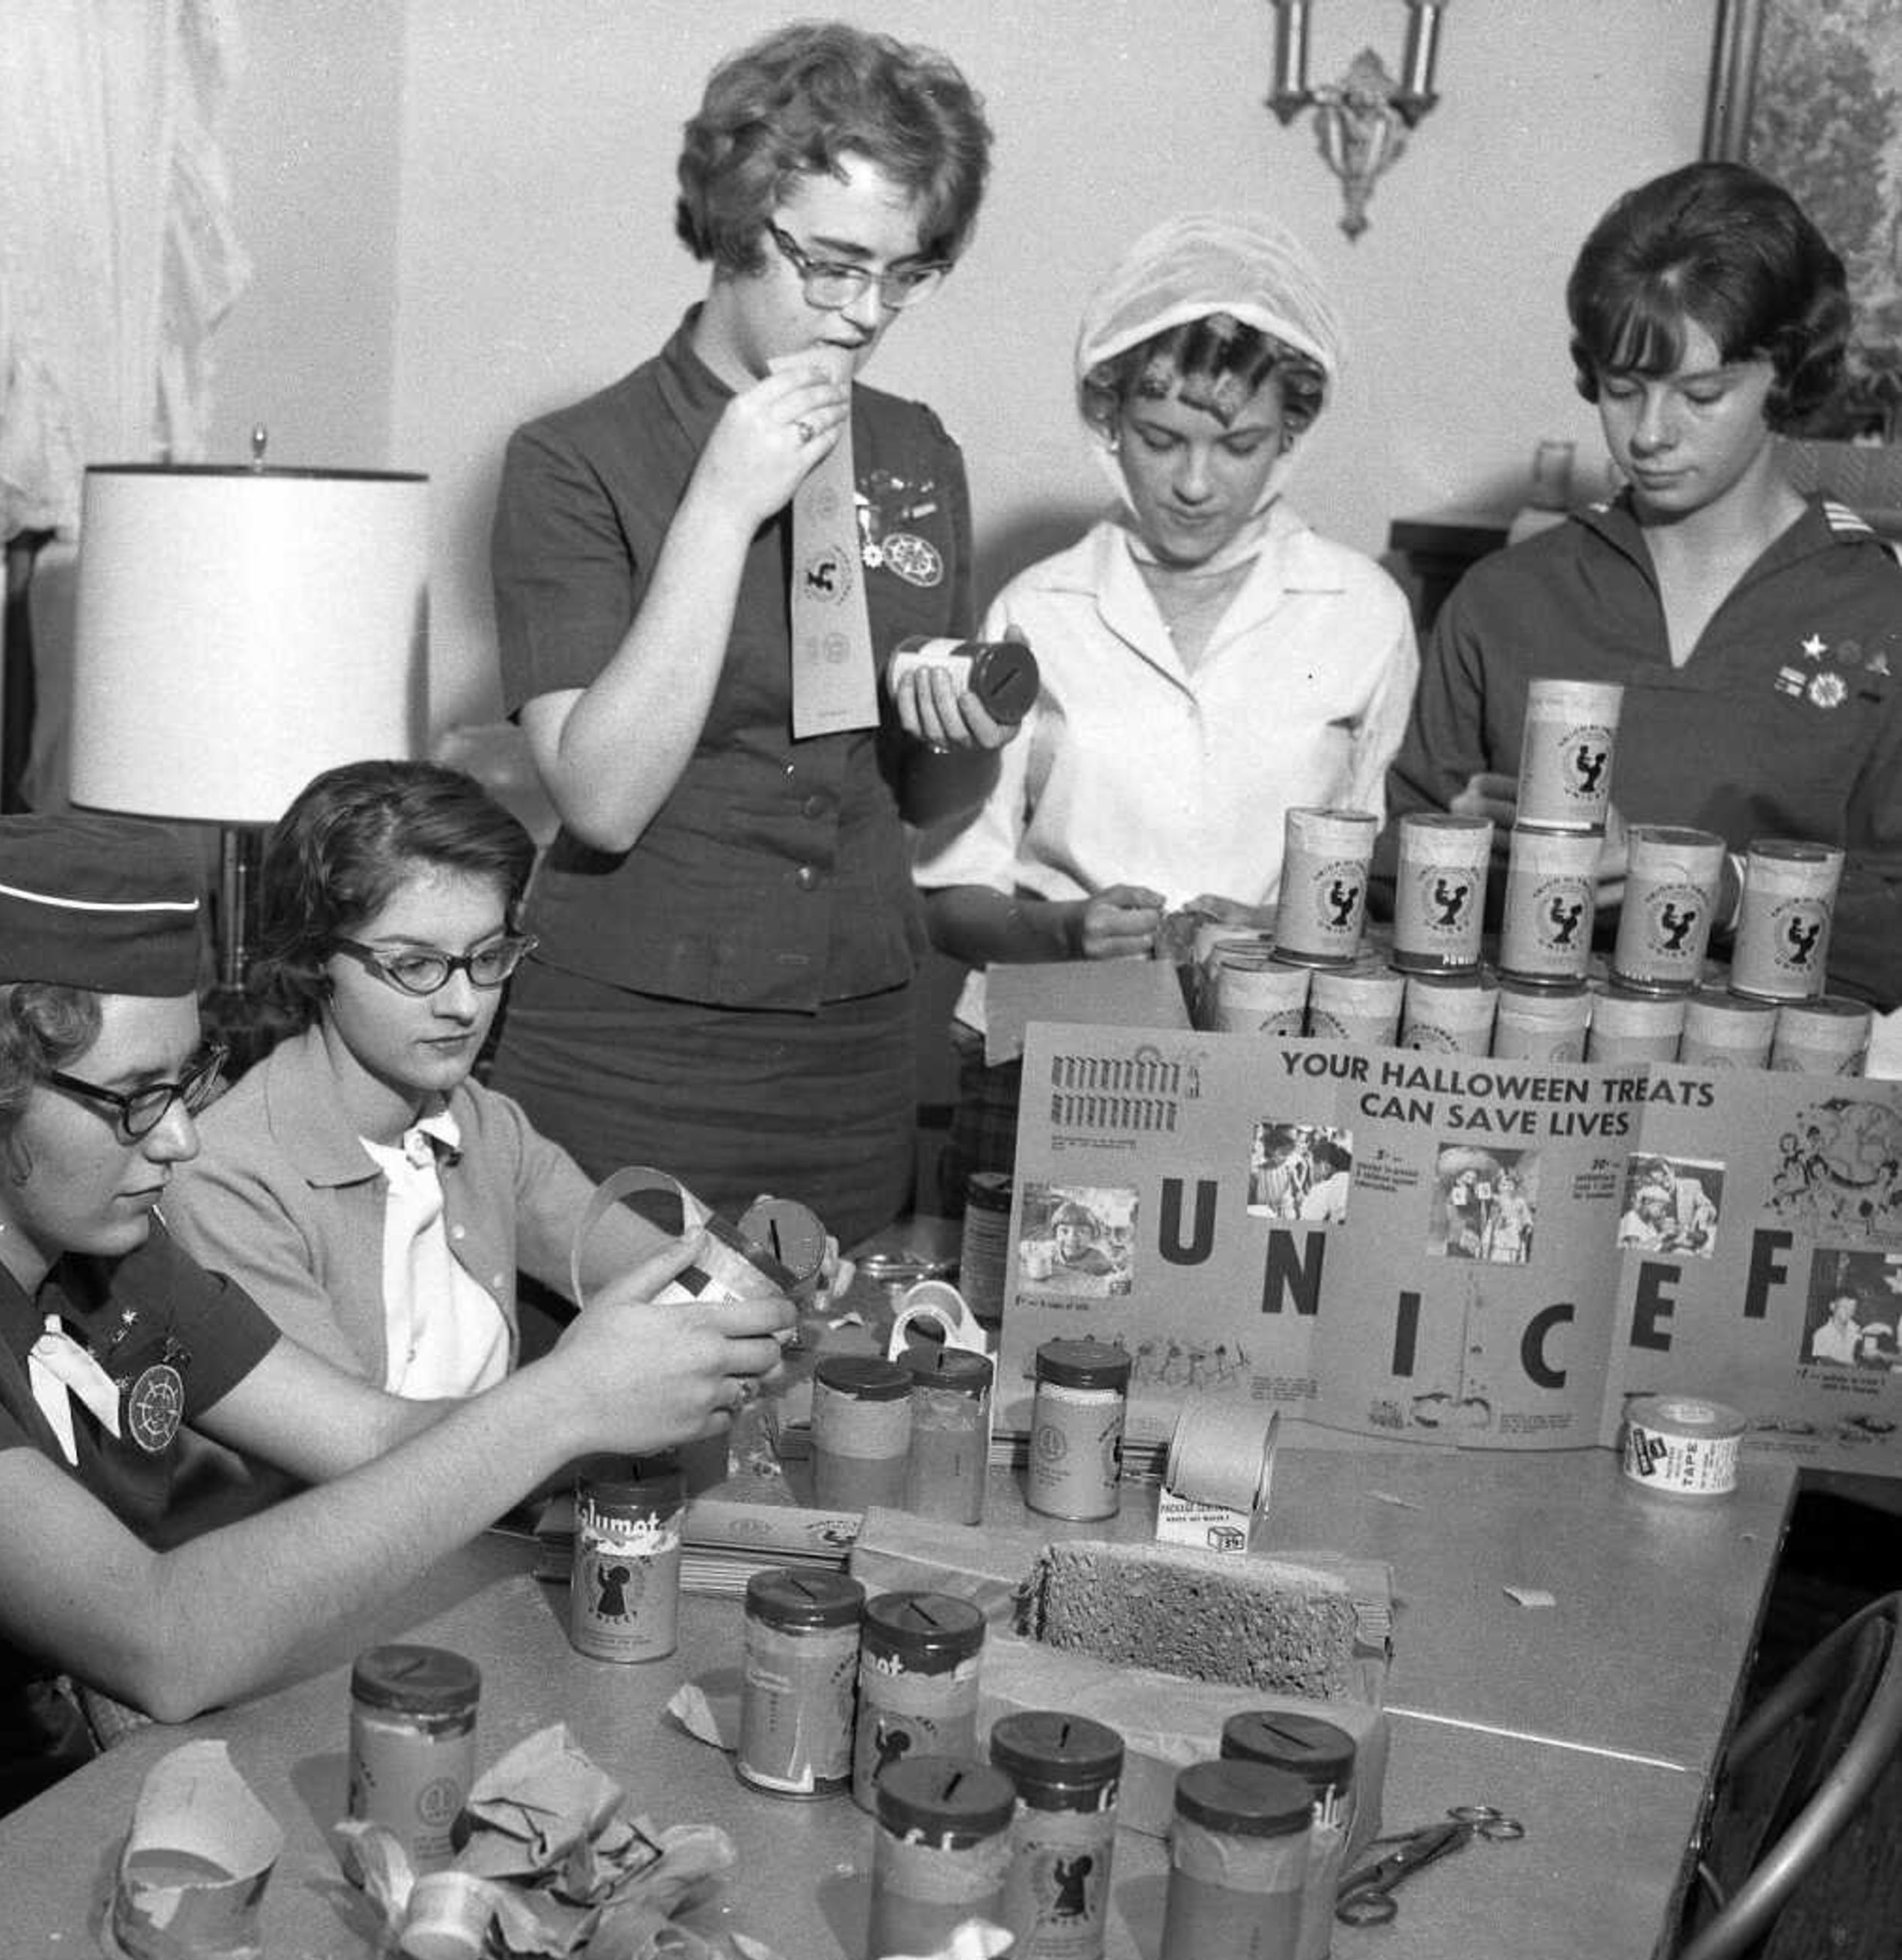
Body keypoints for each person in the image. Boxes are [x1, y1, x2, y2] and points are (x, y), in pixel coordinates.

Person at [0, 813, 787, 1846]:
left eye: (188, 1083)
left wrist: (629, 1387)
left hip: (78, 1804)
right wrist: (556, 1405)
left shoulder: (98, 1250)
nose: (182, 1144)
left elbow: (371, 1438)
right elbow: (159, 1639)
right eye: (134, 1098)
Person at [486, 20, 1011, 1244]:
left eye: (907, 270)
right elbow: (603, 796)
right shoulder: (574, 460)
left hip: (857, 1040)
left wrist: (974, 732)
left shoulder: (917, 451)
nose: (867, 309)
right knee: (615, 1407)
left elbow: (932, 800)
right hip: (633, 1040)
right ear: (737, 217)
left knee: (839, 1400)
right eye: (830, 263)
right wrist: (722, 504)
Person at [917, 211, 1416, 1191]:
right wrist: (1064, 932)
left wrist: (1285, 931)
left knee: (1268, 1326)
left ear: (1292, 432)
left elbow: (1390, 894)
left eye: (1236, 444)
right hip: (1044, 1058)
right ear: (1108, 421)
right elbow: (949, 900)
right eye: (1160, 438)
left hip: (1286, 1072)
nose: (1193, 482)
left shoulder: (1364, 615)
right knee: (1035, 1327)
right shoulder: (1036, 608)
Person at [1388, 161, 1902, 1015]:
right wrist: (1460, 853)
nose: (1651, 434)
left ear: (1789, 371)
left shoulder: (1877, 614)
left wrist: (1716, 892)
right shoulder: (1505, 601)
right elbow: (1379, 888)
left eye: (1702, 394)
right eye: (1623, 391)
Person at [164, 762, 661, 1404]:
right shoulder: (230, 1178)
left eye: (487, 958)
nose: (464, 1004)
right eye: (416, 965)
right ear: (317, 955)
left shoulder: (484, 1124)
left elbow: (674, 1278)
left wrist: (757, 1273)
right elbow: (352, 1457)